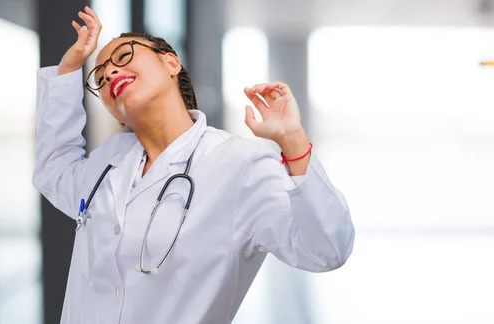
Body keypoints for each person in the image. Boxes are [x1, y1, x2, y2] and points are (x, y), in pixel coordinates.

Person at [33, 6, 354, 324]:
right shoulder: (108, 162)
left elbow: (327, 248)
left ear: (171, 62)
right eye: (100, 76)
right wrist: (69, 69)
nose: (111, 73)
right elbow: (53, 168)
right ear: (115, 115)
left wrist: (293, 142)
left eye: (123, 56)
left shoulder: (239, 165)